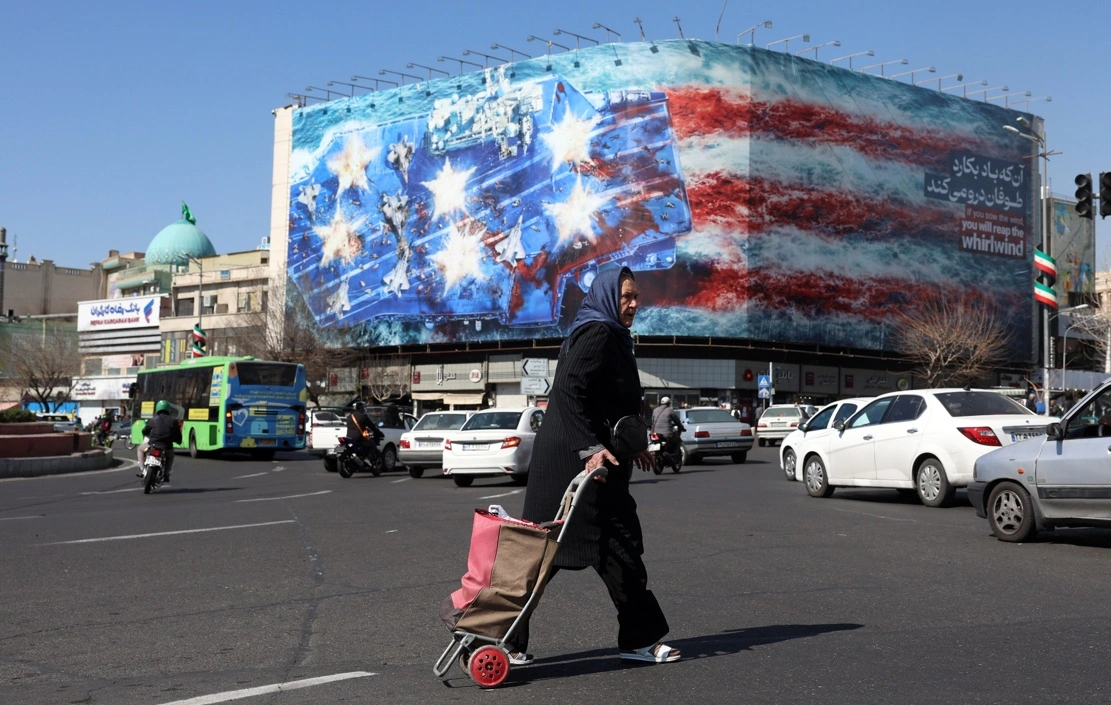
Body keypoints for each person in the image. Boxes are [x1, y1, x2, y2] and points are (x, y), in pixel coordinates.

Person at [515, 266, 680, 666]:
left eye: (636, 297)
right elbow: (569, 393)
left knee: (602, 551)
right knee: (555, 555)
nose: (634, 304)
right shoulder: (599, 333)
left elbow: (607, 400)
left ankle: (501, 637)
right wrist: (589, 448)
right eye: (626, 296)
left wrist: (633, 444)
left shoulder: (603, 333)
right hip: (578, 466)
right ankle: (495, 635)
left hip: (590, 465)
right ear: (608, 296)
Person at [140, 400, 182, 482]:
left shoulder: (153, 420)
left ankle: (142, 469)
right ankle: (166, 474)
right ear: (168, 409)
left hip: (153, 444)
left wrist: (147, 434)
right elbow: (178, 434)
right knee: (170, 457)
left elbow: (145, 430)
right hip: (166, 446)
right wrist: (178, 441)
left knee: (140, 449)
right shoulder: (174, 421)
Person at [650, 396, 685, 466]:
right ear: (669, 403)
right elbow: (677, 421)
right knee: (678, 440)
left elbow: (653, 422)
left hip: (655, 434)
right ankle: (674, 456)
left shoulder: (655, 410)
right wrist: (681, 428)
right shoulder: (670, 410)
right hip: (667, 434)